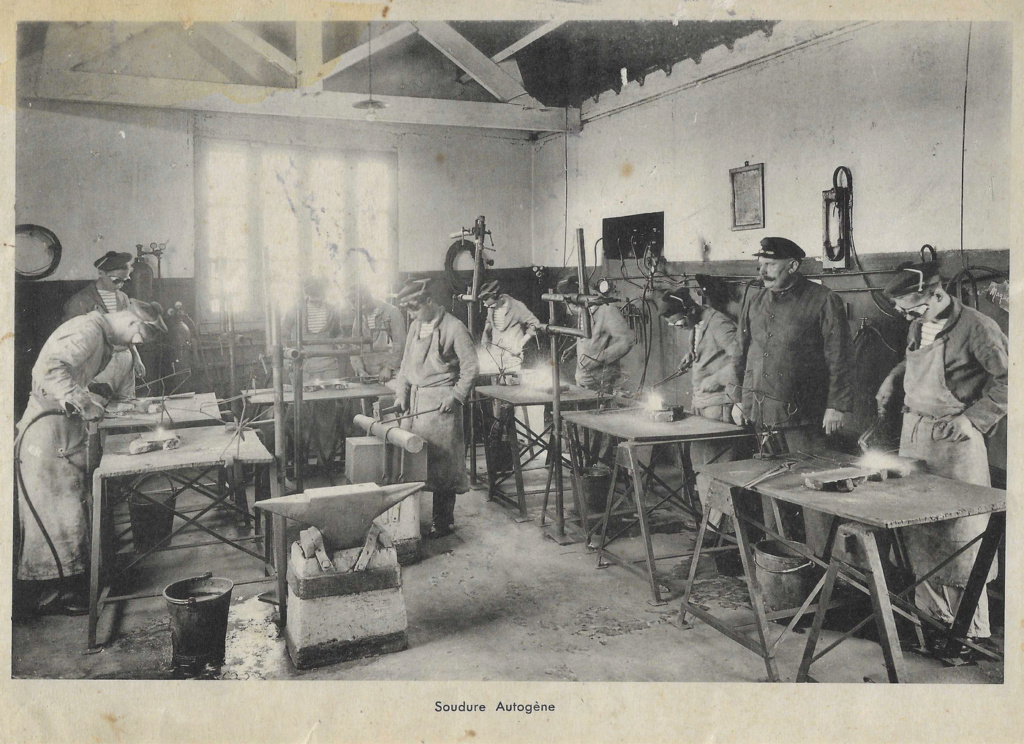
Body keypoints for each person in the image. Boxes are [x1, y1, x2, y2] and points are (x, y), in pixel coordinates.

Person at [875, 261, 1007, 648]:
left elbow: (1011, 378)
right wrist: (892, 377)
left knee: (958, 538)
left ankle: (967, 632)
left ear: (936, 294)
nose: (907, 317)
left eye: (912, 308)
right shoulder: (919, 324)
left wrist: (975, 419)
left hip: (955, 443)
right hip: (915, 436)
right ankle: (930, 627)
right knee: (920, 532)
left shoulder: (978, 327)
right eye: (902, 310)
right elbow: (918, 356)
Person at [14, 301, 167, 616]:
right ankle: (54, 595)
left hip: (64, 429)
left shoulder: (106, 337)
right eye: (139, 333)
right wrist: (82, 400)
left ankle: (72, 587)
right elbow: (47, 368)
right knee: (54, 517)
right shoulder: (88, 329)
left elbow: (103, 370)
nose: (137, 342)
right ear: (127, 318)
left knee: (72, 513)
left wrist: (131, 395)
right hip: (45, 431)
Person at [732, 237, 855, 550]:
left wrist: (837, 406)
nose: (763, 270)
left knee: (812, 488)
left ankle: (820, 561)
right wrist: (738, 398)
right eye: (760, 263)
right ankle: (781, 555)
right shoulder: (754, 299)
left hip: (804, 414)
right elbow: (741, 351)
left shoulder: (823, 299)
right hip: (760, 409)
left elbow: (840, 356)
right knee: (770, 485)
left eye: (770, 264)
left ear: (793, 265)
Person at [393, 277, 479, 538]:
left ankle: (443, 522)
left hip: (441, 407)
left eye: (415, 308)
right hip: (415, 405)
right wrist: (400, 396)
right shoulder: (415, 327)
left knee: (442, 467)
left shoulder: (455, 328)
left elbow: (472, 368)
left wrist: (455, 396)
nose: (412, 315)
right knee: (411, 463)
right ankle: (410, 521)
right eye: (408, 310)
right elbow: (405, 367)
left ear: (430, 302)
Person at [660, 277, 743, 527]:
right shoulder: (698, 322)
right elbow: (705, 345)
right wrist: (692, 356)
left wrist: (717, 378)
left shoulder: (718, 322)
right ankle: (711, 520)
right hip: (702, 403)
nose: (678, 327)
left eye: (679, 322)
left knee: (716, 466)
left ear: (690, 310)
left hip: (719, 405)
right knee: (701, 463)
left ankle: (718, 527)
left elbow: (742, 359)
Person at [62, 250, 147, 395]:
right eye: (116, 280)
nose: (120, 285)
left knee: (128, 407)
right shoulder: (80, 301)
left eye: (125, 280)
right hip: (99, 365)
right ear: (101, 273)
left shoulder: (123, 298)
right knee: (100, 407)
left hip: (125, 361)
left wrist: (136, 358)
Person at [557, 275, 634, 394]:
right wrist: (574, 350)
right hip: (583, 381)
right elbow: (591, 337)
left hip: (601, 384)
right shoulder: (585, 309)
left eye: (569, 302)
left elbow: (627, 340)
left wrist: (598, 359)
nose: (568, 308)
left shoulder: (606, 309)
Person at [479, 280, 542, 377]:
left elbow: (535, 324)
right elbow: (489, 320)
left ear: (498, 297)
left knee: (510, 383)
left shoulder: (517, 306)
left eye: (491, 306)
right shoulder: (491, 306)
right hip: (495, 353)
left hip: (512, 355)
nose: (489, 308)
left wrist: (520, 344)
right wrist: (485, 332)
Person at [350, 292, 408, 385]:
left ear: (367, 299)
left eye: (362, 308)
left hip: (391, 375)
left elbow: (401, 344)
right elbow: (355, 347)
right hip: (368, 375)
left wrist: (389, 367)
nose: (361, 311)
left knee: (387, 398)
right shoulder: (359, 316)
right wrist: (360, 370)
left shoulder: (392, 312)